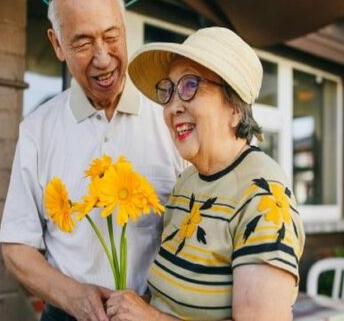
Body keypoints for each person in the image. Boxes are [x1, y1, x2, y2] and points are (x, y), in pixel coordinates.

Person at [0, 0, 183, 320]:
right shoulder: (36, 131)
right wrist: (73, 296)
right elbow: (16, 247)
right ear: (57, 44)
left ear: (125, 29)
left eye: (111, 37)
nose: (102, 59)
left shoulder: (171, 117)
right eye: (83, 43)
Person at [105, 27, 305, 320]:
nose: (173, 106)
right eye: (169, 90)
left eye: (189, 86)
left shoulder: (263, 197)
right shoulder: (187, 182)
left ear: (234, 107)